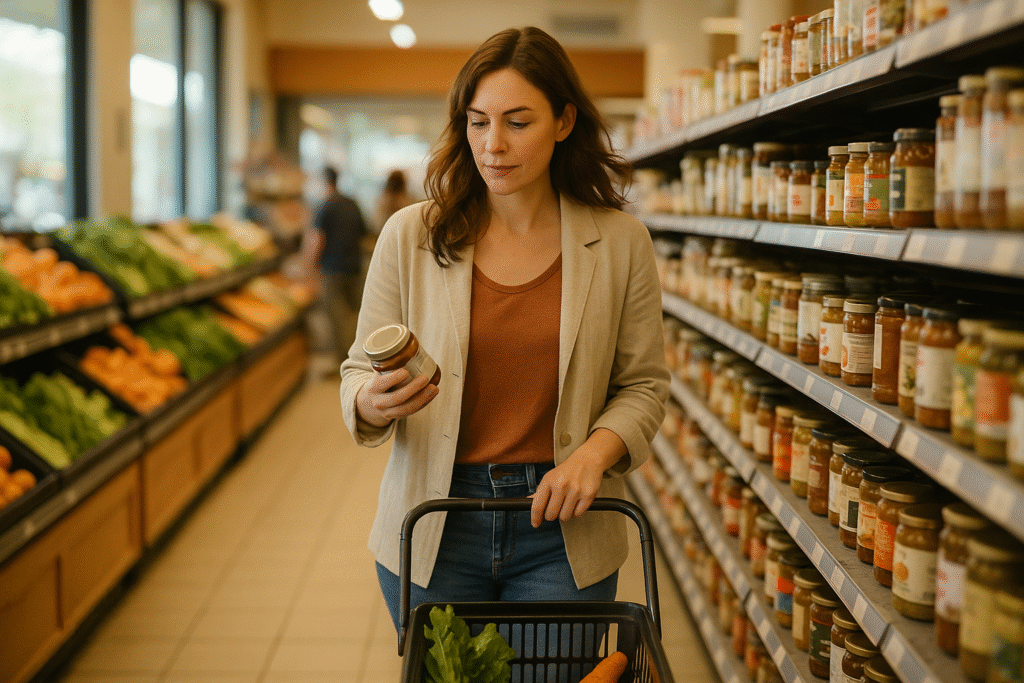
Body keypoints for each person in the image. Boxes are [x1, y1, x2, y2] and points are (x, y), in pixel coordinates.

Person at [339, 26, 670, 630]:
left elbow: (644, 386)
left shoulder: (621, 243)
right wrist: (369, 399)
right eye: (478, 121)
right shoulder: (412, 236)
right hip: (435, 521)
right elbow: (358, 368)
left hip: (565, 524)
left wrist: (595, 453)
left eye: (518, 122)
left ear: (564, 122)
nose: (493, 144)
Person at [310, 166, 369, 371]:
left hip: (333, 270)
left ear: (324, 182)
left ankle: (343, 363)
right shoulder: (352, 204)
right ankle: (360, 359)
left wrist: (308, 266)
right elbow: (364, 233)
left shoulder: (325, 206)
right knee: (355, 314)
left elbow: (318, 240)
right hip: (354, 267)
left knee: (335, 316)